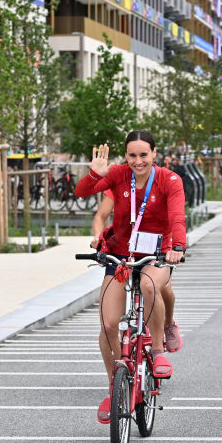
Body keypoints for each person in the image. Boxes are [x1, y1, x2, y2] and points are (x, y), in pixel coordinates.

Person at [74, 131, 186, 424]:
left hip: (156, 254)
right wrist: (93, 174)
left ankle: (158, 351)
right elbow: (81, 192)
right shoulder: (118, 175)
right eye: (132, 155)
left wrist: (177, 247)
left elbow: (176, 216)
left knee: (149, 286)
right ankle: (115, 386)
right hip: (120, 254)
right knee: (109, 323)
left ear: (154, 154)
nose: (138, 161)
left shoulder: (169, 180)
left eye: (143, 155)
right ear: (126, 155)